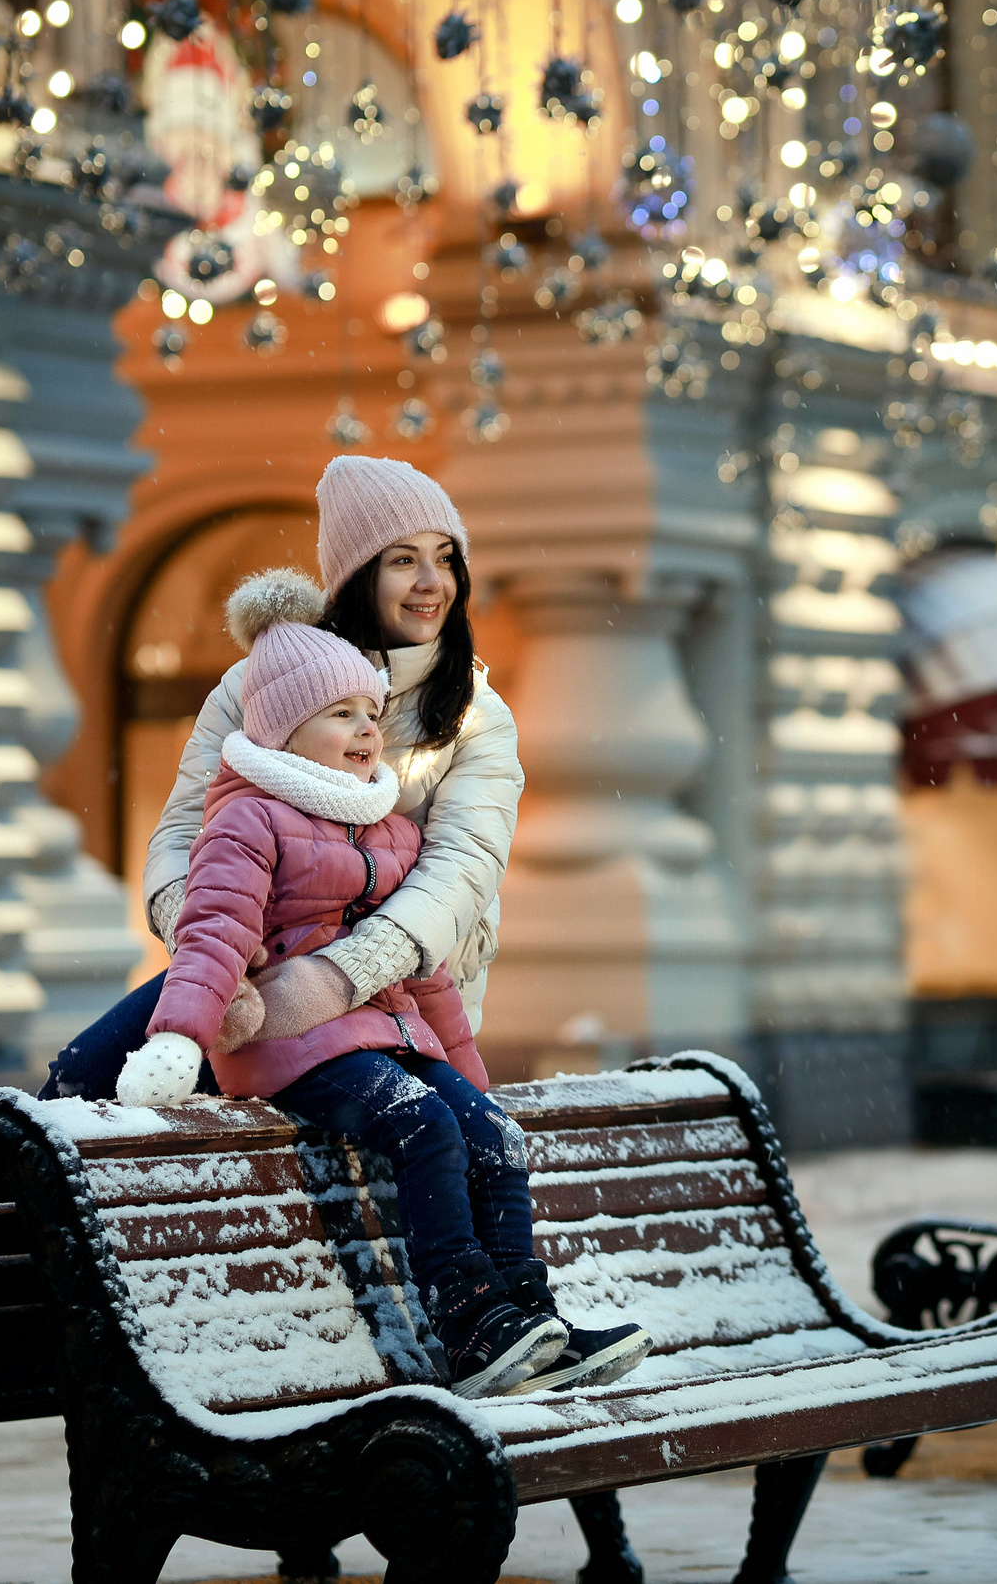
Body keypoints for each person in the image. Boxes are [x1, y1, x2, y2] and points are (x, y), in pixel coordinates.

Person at [115, 569, 648, 1396]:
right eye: (342, 714)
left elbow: (419, 969)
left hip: (385, 1035)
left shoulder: (389, 827)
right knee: (421, 1121)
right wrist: (180, 1035)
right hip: (290, 1044)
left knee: (490, 1132)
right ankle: (470, 1324)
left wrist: (471, 1077)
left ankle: (528, 1318)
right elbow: (212, 932)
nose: (368, 729)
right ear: (286, 730)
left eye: (371, 712)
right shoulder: (248, 818)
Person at [44, 453, 514, 1101]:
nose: (432, 581)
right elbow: (184, 829)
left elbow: (461, 869)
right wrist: (212, 944)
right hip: (253, 975)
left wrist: (336, 977)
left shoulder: (474, 714)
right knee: (74, 1086)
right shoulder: (255, 683)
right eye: (403, 559)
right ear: (356, 575)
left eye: (445, 557)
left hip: (398, 1001)